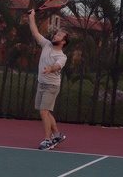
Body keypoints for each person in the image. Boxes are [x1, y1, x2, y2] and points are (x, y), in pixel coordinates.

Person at [28, 9, 70, 150]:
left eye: (59, 35)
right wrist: (31, 17)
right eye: (56, 33)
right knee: (45, 111)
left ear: (63, 42)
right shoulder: (46, 44)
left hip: (51, 86)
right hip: (42, 83)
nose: (55, 35)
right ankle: (57, 135)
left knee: (43, 112)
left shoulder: (62, 56)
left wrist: (50, 69)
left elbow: (58, 66)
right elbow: (35, 32)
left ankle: (47, 140)